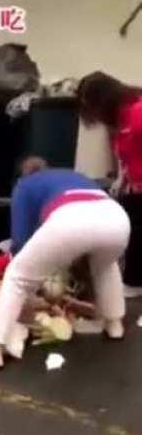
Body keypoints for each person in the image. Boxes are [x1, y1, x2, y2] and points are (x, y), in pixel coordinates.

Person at [0, 163, 130, 369]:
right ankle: (114, 324)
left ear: (21, 177)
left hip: (70, 219)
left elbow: (20, 242)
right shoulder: (70, 175)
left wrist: (22, 270)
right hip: (116, 219)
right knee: (105, 266)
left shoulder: (24, 186)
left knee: (18, 276)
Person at [78, 71, 142, 296]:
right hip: (135, 187)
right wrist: (122, 178)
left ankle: (134, 281)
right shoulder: (121, 120)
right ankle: (134, 281)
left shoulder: (138, 113)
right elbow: (126, 153)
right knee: (131, 223)